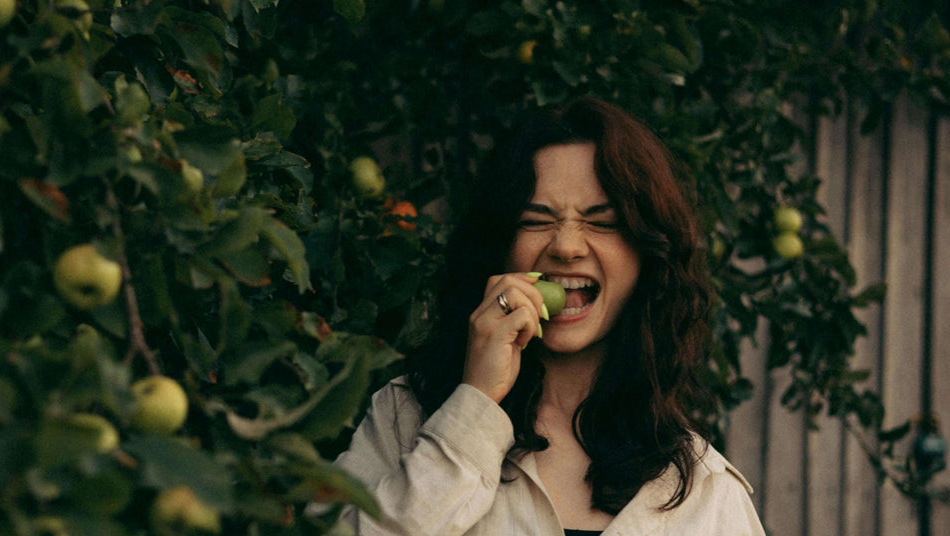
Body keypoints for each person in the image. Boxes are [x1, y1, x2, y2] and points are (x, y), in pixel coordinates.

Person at [327, 96, 766, 535]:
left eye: (603, 221)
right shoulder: (406, 417)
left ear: (646, 254)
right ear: (500, 245)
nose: (567, 246)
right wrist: (475, 404)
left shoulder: (705, 489)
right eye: (536, 220)